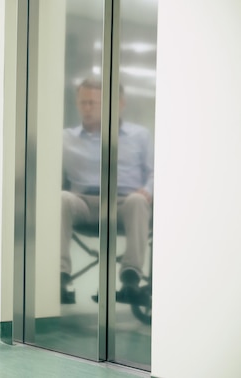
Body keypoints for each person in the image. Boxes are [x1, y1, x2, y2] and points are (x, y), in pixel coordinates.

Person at [60, 77, 153, 304]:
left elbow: (156, 171)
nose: (88, 108)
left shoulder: (140, 136)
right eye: (83, 102)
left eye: (94, 103)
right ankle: (60, 276)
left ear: (117, 104)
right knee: (61, 199)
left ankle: (130, 278)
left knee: (137, 202)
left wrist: (148, 190)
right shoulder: (66, 138)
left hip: (125, 204)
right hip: (84, 203)